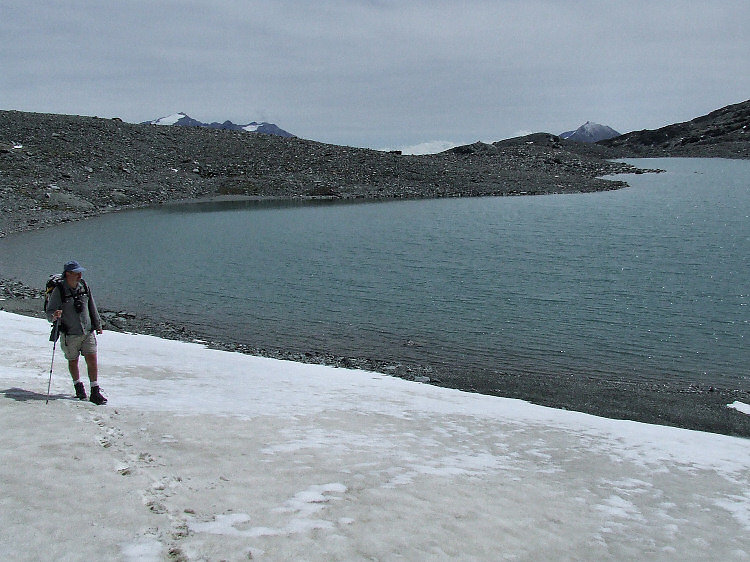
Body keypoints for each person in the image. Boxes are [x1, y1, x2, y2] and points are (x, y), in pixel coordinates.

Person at [45, 260, 107, 405]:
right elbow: (49, 313)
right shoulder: (59, 290)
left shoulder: (84, 286)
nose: (80, 275)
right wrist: (55, 315)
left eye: (80, 273)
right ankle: (78, 387)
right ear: (68, 274)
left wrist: (98, 324)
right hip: (70, 334)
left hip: (87, 331)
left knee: (92, 359)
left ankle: (95, 391)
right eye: (76, 273)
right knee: (73, 361)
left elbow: (92, 305)